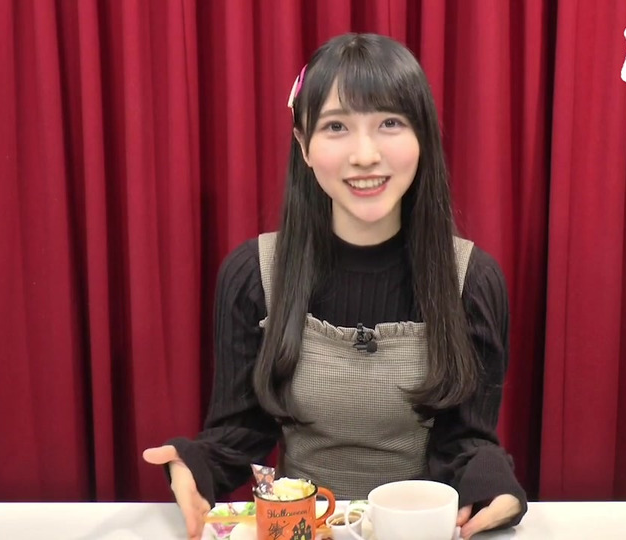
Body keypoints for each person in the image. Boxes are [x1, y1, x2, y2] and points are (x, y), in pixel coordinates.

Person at [143, 32, 528, 540]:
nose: (365, 155)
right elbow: (240, 433)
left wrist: (494, 487)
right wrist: (194, 464)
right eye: (336, 127)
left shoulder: (471, 281)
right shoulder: (253, 273)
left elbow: (465, 442)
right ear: (303, 145)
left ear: (423, 138)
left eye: (390, 123)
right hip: (303, 528)